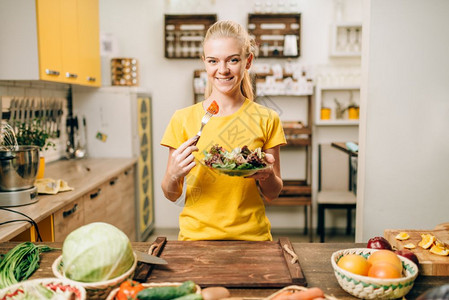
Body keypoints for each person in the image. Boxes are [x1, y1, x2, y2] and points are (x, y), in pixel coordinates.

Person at [161, 20, 286, 241]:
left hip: (252, 239)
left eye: (233, 60)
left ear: (248, 62)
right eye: (213, 61)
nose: (223, 70)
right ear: (205, 63)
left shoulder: (267, 118)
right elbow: (171, 195)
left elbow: (273, 193)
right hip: (196, 239)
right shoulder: (182, 119)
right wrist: (173, 174)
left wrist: (266, 174)